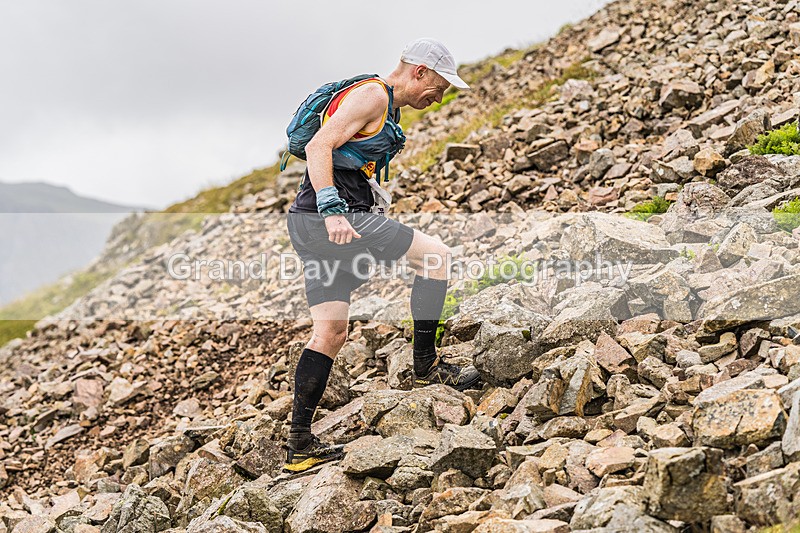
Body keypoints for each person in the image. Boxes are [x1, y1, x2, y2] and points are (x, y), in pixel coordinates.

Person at [282, 38, 480, 473]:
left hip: (309, 220)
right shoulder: (373, 94)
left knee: (331, 331)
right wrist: (333, 210)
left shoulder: (387, 107)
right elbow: (319, 147)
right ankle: (427, 367)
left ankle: (299, 444)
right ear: (420, 71)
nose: (440, 97)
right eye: (441, 86)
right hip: (332, 216)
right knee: (436, 257)